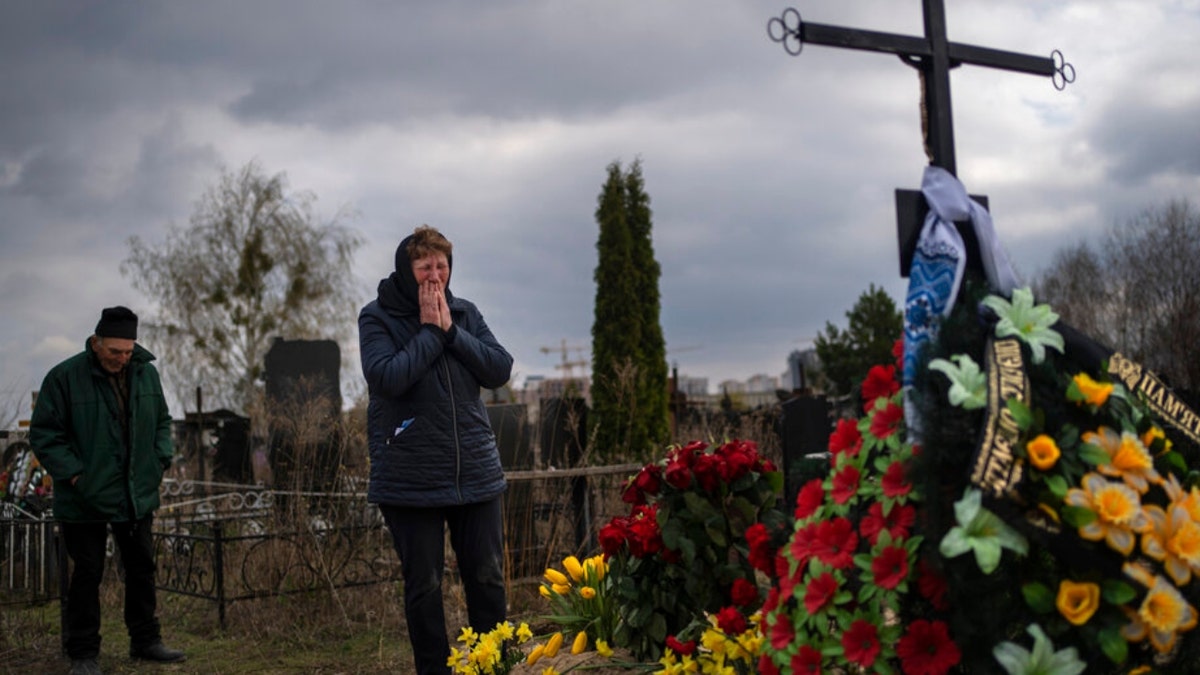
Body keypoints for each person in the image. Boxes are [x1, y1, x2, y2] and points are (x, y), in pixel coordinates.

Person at [359, 225, 513, 674]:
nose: (435, 275)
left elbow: (499, 367)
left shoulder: (464, 312)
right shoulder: (377, 317)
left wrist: (451, 331)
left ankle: (493, 667)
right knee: (425, 587)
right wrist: (430, 333)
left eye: (442, 265)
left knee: (487, 580)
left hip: (476, 472)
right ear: (407, 271)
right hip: (410, 476)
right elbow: (386, 377)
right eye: (424, 266)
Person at [29, 306, 185, 675]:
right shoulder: (64, 378)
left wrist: (160, 458)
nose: (123, 358)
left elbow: (163, 421)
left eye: (129, 351)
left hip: (136, 492)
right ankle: (82, 653)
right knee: (87, 574)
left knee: (141, 568)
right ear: (96, 343)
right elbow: (46, 435)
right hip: (84, 498)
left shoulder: (146, 375)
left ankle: (145, 641)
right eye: (115, 351)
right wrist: (77, 476)